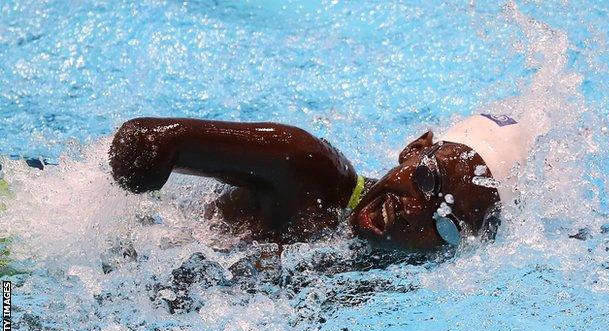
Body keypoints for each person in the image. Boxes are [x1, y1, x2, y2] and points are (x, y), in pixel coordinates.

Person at [109, 113, 531, 253]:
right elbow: (145, 139)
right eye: (426, 179)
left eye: (448, 226)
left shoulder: (402, 262)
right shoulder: (307, 168)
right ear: (414, 149)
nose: (416, 211)